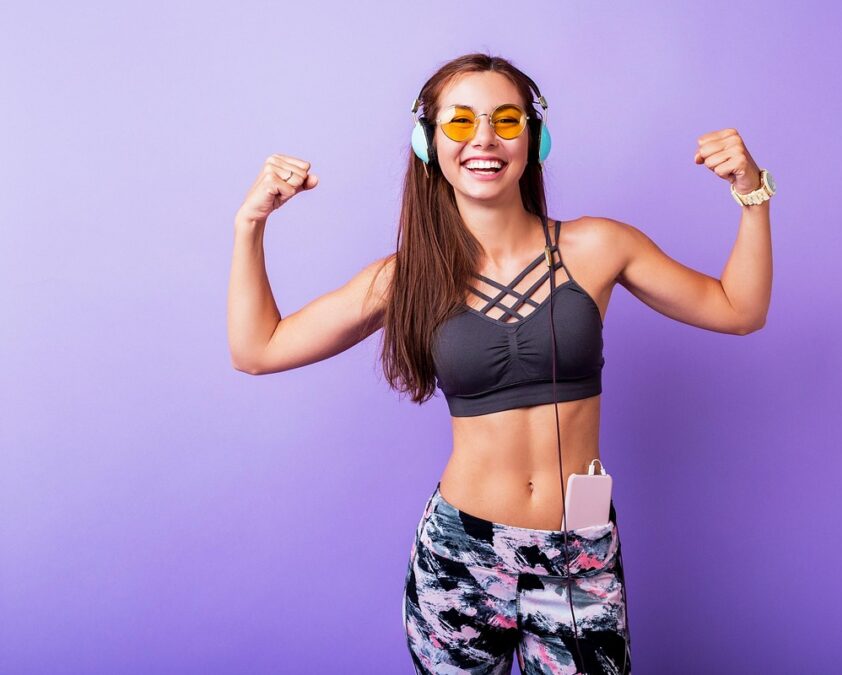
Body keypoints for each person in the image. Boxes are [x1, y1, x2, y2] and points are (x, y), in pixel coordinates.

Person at [228, 52, 773, 675]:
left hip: (576, 550)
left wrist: (751, 195)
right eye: (459, 122)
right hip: (462, 555)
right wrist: (250, 224)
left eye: (506, 119)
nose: (484, 139)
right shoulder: (406, 277)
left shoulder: (599, 246)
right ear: (429, 142)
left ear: (534, 139)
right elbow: (257, 349)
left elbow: (738, 309)